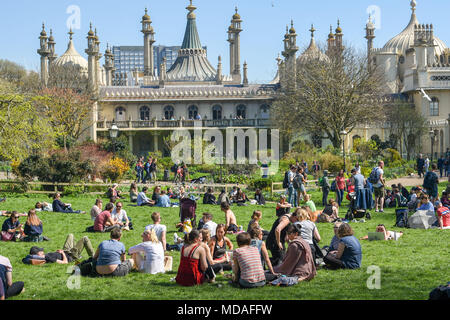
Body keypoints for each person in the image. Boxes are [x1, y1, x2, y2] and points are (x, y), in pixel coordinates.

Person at [22, 234, 94, 265]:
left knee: (70, 235)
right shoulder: (48, 258)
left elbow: (25, 259)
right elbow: (65, 262)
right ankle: (94, 257)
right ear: (38, 253)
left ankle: (77, 251)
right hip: (71, 256)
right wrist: (62, 253)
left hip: (66, 251)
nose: (43, 251)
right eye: (41, 251)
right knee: (85, 238)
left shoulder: (43, 256)